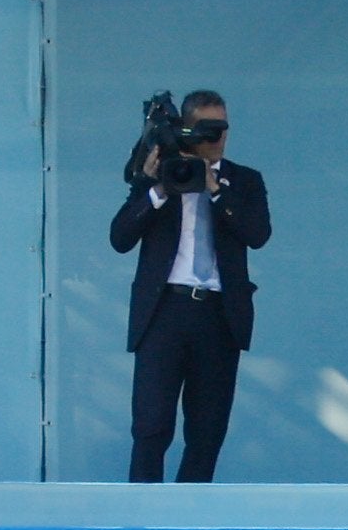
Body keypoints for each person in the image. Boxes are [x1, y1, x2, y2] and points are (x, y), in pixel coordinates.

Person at [111, 89, 270, 486]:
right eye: (207, 130)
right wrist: (158, 188)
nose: (217, 139)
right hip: (164, 310)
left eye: (223, 129)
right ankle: (144, 516)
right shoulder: (161, 175)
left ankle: (190, 514)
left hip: (218, 314)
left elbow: (258, 234)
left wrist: (217, 189)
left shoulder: (244, 181)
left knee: (207, 430)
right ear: (187, 129)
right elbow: (120, 237)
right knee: (151, 425)